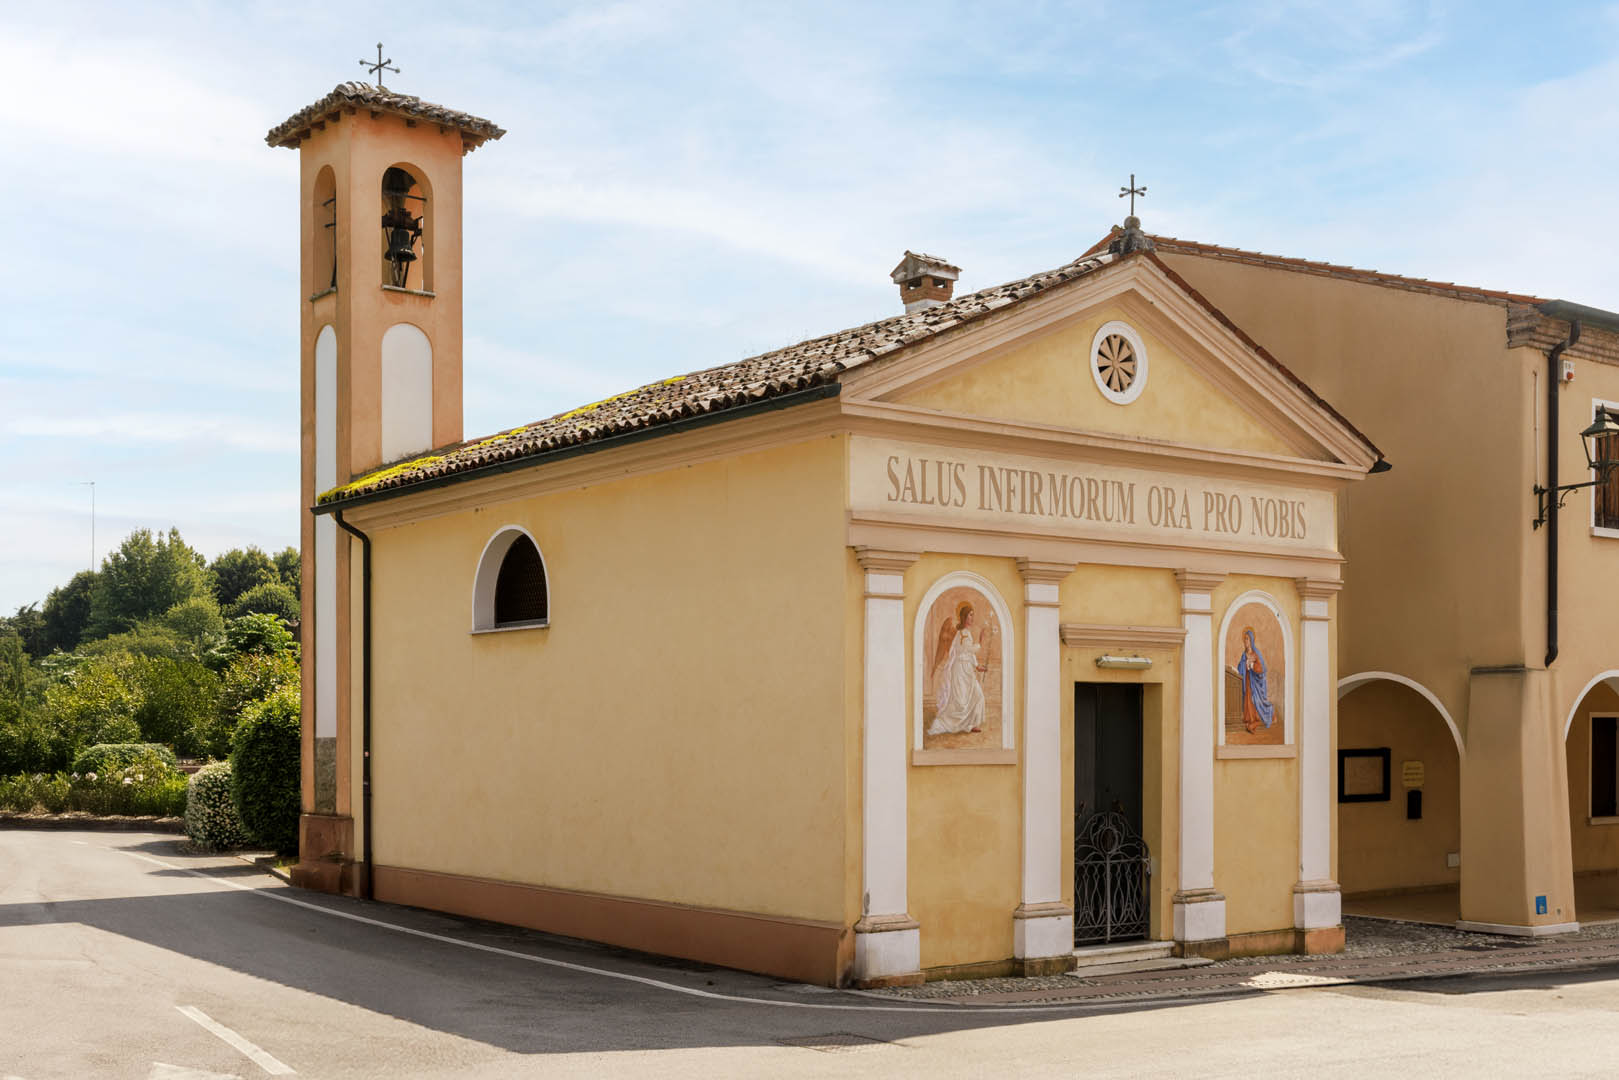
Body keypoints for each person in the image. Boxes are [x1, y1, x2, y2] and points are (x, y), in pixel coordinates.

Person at [929, 602, 988, 735]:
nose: (972, 618)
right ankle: (956, 723)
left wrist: (977, 666)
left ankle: (971, 724)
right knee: (960, 701)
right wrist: (981, 641)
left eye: (973, 615)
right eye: (970, 615)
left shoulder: (966, 633)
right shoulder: (962, 634)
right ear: (964, 617)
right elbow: (968, 649)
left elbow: (969, 653)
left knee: (976, 695)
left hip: (966, 669)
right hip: (960, 670)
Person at [1238, 627, 1275, 735]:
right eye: (1244, 639)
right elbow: (1240, 668)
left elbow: (1262, 669)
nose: (1245, 641)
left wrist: (1252, 664)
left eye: (1247, 639)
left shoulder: (1256, 653)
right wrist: (1245, 664)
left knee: (1255, 702)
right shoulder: (1243, 655)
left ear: (1251, 640)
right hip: (1247, 682)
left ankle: (1257, 721)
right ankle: (1250, 721)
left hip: (1256, 684)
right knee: (1248, 701)